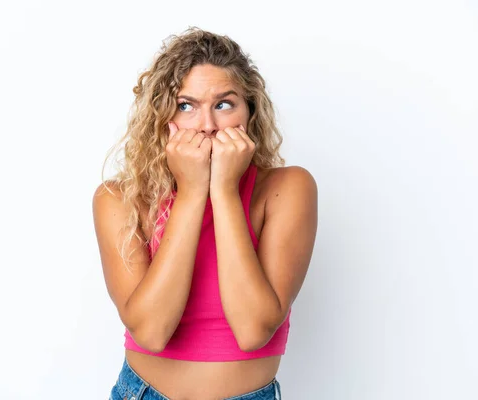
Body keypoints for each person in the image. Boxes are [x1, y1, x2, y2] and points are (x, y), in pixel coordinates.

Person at [93, 27, 318, 400]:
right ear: (162, 118)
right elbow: (151, 332)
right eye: (186, 105)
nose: (208, 126)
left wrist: (225, 191)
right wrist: (193, 192)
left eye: (224, 104)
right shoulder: (119, 199)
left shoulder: (286, 189)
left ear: (250, 112)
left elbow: (252, 331)